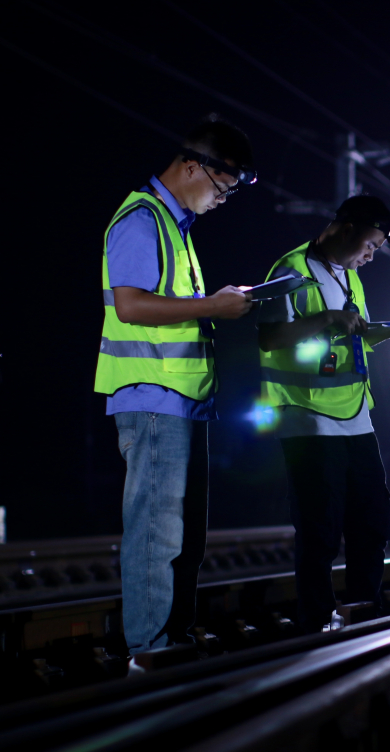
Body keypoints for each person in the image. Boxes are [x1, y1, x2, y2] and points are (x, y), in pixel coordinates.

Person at [94, 114, 256, 663]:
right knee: (157, 534)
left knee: (183, 537)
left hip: (181, 403)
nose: (221, 201)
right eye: (221, 189)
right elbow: (132, 304)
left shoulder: (174, 226)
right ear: (193, 167)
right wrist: (214, 305)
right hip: (153, 400)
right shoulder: (142, 220)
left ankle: (173, 641)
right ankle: (150, 650)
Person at [257, 195, 390, 633]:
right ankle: (314, 624)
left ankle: (364, 615)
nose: (370, 255)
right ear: (347, 227)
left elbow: (352, 339)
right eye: (370, 245)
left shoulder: (349, 276)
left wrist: (386, 333)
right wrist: (325, 320)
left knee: (372, 523)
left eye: (377, 250)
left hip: (356, 418)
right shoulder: (291, 270)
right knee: (320, 530)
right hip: (308, 420)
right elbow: (269, 336)